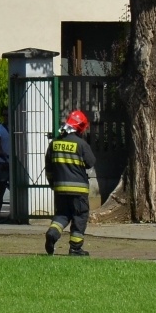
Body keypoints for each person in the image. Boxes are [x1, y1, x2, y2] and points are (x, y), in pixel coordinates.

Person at [44, 109, 96, 257]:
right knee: (80, 216)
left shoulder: (54, 143)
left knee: (62, 215)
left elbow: (49, 167)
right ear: (80, 127)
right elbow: (91, 163)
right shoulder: (81, 144)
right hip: (78, 190)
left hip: (60, 188)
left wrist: (53, 183)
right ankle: (75, 249)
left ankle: (52, 233)